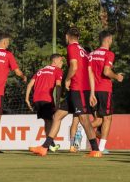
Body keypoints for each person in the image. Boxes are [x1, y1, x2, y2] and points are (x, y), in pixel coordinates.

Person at [30, 27, 103, 157]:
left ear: (67, 36)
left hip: (78, 88)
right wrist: (92, 92)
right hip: (78, 90)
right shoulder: (84, 51)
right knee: (57, 116)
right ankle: (44, 148)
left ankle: (95, 149)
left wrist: (67, 79)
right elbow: (90, 72)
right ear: (78, 37)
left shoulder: (71, 47)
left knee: (84, 119)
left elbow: (74, 66)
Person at [89, 30, 124, 154]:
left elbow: (89, 72)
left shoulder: (91, 54)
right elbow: (106, 71)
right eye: (111, 39)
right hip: (104, 89)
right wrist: (117, 76)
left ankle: (81, 130)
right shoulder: (109, 54)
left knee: (98, 119)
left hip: (92, 90)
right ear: (108, 39)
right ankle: (101, 148)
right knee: (107, 118)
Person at [25, 54, 64, 152]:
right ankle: (49, 145)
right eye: (61, 61)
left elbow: (29, 85)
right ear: (55, 61)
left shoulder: (40, 71)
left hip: (36, 100)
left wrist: (27, 99)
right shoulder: (57, 70)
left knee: (48, 121)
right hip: (47, 99)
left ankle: (50, 145)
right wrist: (58, 102)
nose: (62, 63)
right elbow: (58, 86)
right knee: (53, 121)